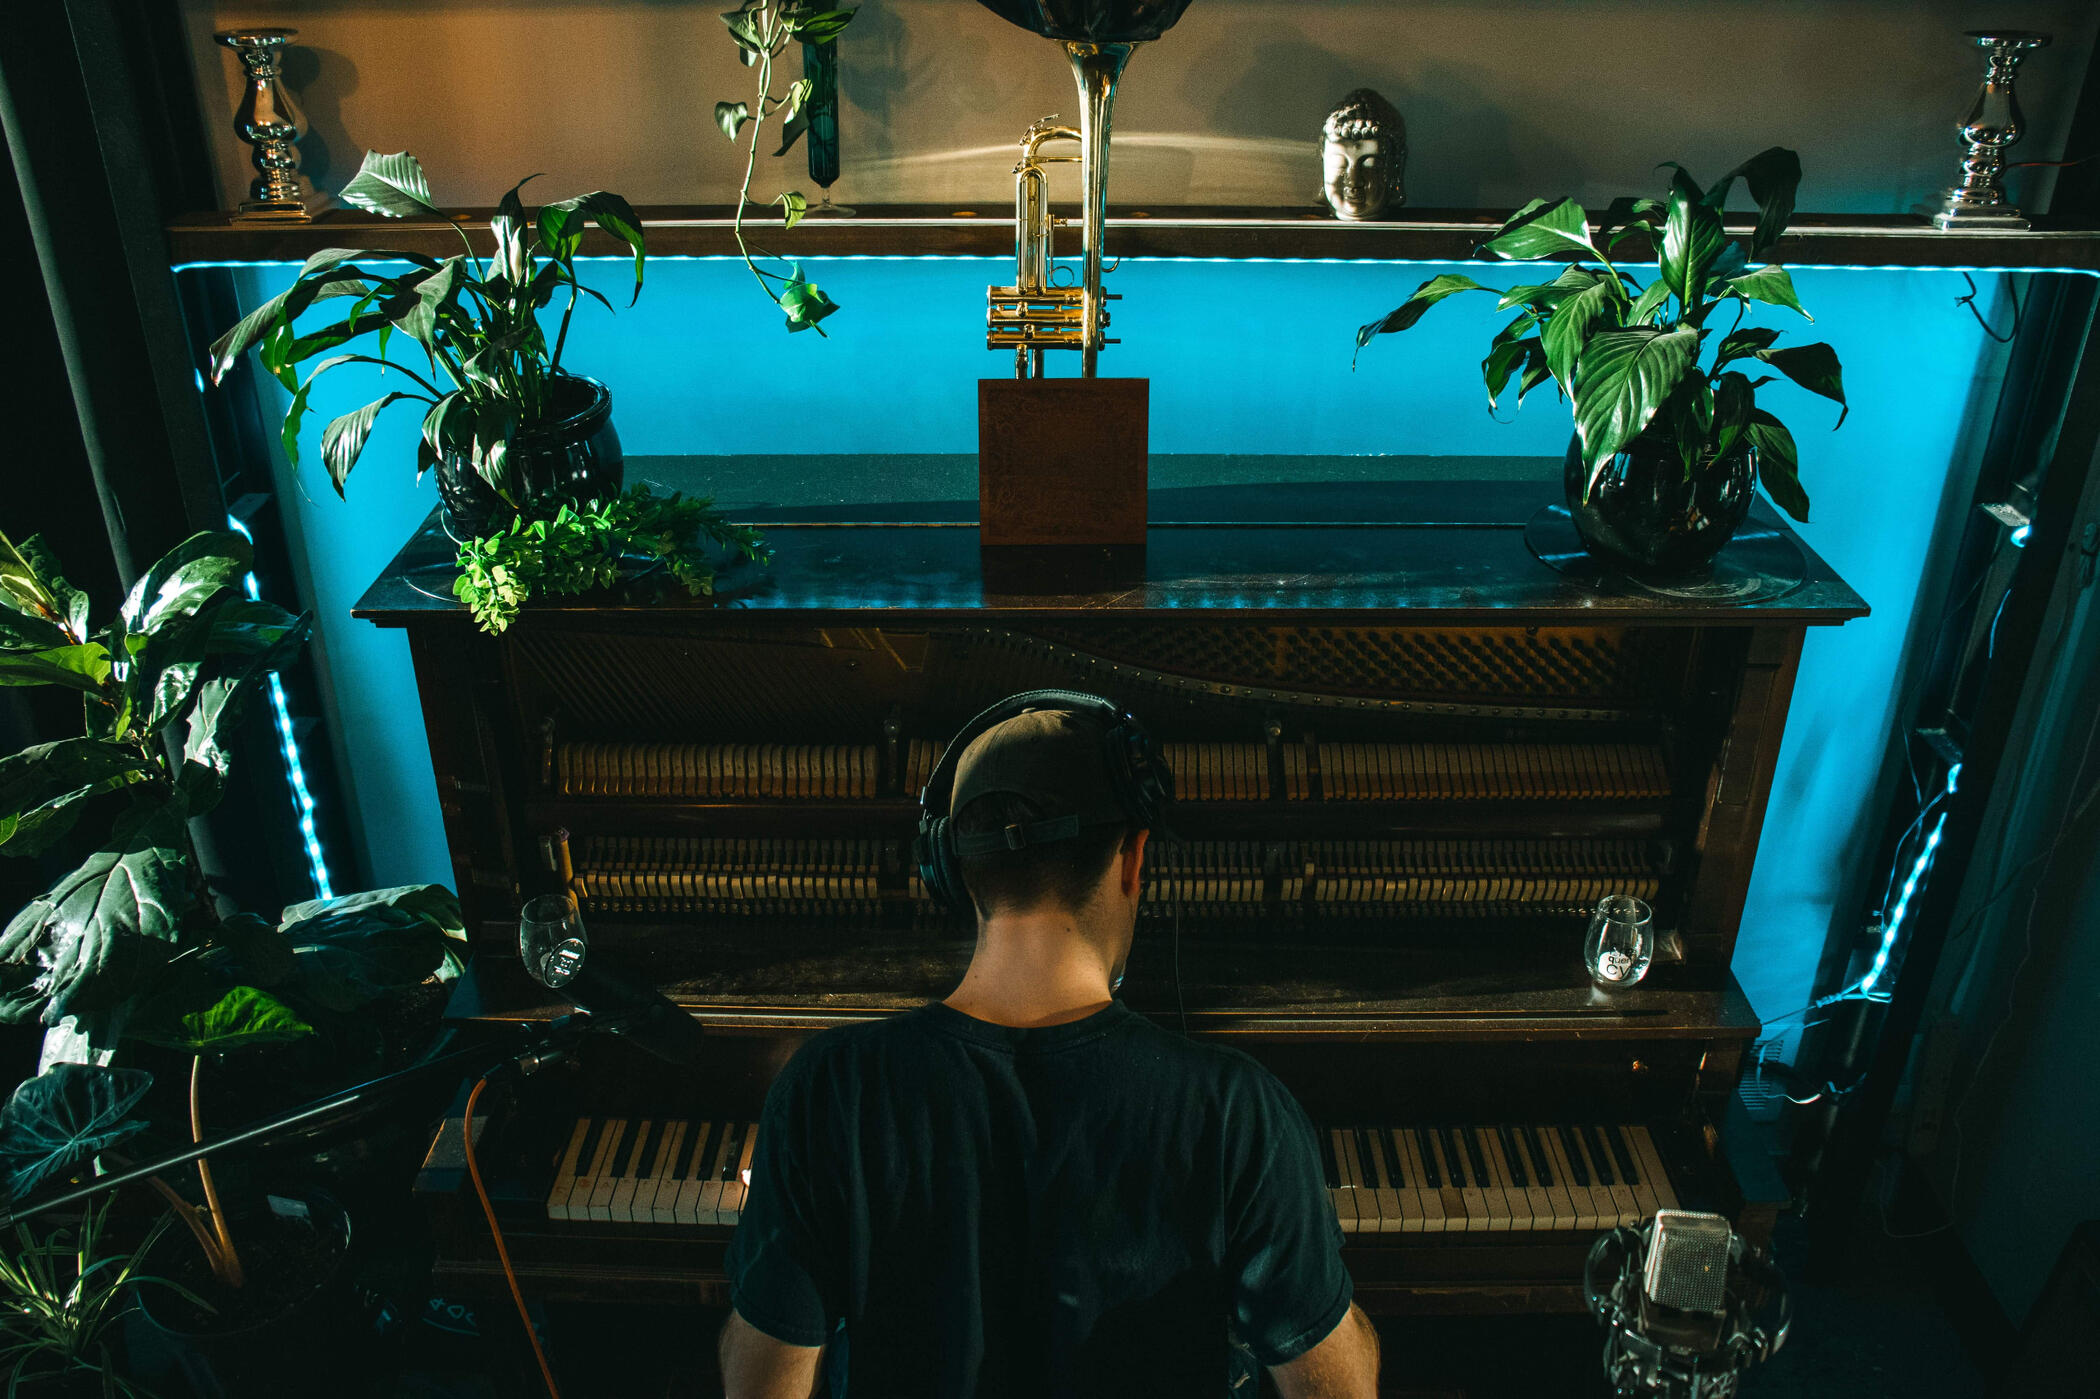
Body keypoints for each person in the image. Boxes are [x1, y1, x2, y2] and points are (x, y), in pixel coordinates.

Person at [719, 694, 1380, 1397]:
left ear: (950, 868)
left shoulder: (825, 1089)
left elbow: (759, 1384)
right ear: (1133, 859)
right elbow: (1339, 1389)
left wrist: (789, 1216)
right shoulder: (1239, 1111)